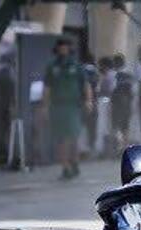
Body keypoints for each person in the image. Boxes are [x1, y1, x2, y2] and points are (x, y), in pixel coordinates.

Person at [42, 39, 92, 178]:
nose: (63, 49)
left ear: (70, 49)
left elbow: (85, 84)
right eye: (61, 47)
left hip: (73, 107)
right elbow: (47, 88)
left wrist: (88, 101)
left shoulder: (76, 66)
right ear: (57, 49)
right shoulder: (52, 66)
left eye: (65, 47)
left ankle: (74, 162)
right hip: (57, 107)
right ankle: (65, 167)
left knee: (73, 137)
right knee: (61, 138)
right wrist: (45, 106)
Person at [110, 53, 134, 152]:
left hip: (116, 104)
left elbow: (111, 90)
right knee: (125, 127)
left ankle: (116, 147)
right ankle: (125, 147)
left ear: (114, 64)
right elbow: (133, 91)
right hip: (127, 104)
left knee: (115, 126)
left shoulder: (113, 75)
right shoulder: (129, 76)